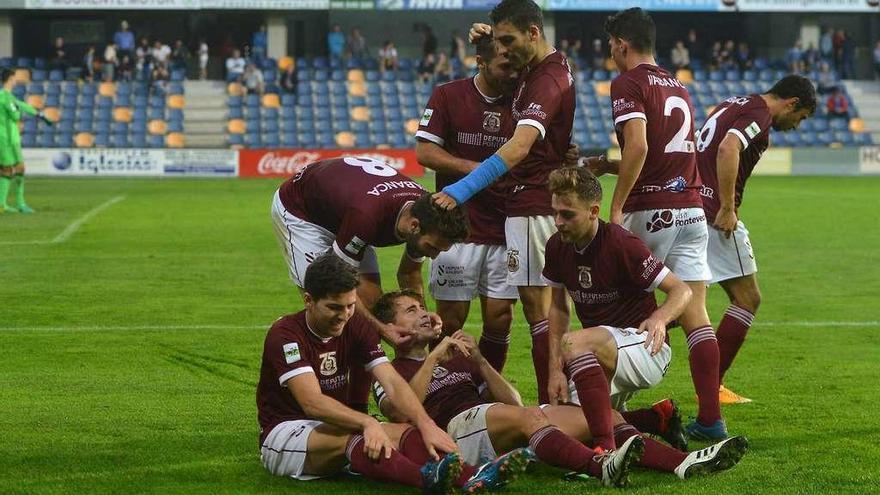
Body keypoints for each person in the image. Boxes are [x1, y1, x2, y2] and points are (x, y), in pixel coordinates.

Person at [373, 290, 749, 484]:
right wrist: (434, 358)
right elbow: (397, 412)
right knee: (532, 419)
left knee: (602, 414)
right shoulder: (389, 369)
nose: (423, 313)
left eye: (421, 307)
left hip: (491, 419)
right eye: (411, 310)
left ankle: (682, 463)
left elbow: (513, 400)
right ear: (393, 330)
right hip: (454, 431)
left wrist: (481, 363)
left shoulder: (457, 357)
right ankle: (599, 466)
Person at [256, 254, 519, 492]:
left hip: (337, 423)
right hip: (285, 431)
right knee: (357, 436)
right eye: (335, 307)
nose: (344, 315)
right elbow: (311, 403)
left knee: (407, 430)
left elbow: (392, 381)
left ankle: (474, 477)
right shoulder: (286, 334)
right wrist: (367, 422)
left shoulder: (356, 324)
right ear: (308, 300)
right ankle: (427, 480)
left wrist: (426, 424)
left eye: (349, 306)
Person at [583, 7, 726, 441]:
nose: (610, 52)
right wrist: (610, 165)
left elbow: (641, 146)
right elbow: (662, 152)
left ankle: (610, 414)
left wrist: (616, 205)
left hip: (652, 210)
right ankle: (710, 420)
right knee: (696, 314)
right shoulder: (677, 85)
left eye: (611, 45)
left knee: (626, 305)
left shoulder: (628, 82)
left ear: (623, 44)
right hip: (690, 208)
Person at [435, 0, 576, 406]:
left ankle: (553, 407)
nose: (506, 51)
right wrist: (491, 36)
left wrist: (458, 191)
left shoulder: (547, 79)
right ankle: (557, 405)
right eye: (501, 43)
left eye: (511, 41)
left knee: (539, 316)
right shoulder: (538, 68)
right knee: (545, 312)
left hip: (531, 204)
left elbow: (517, 149)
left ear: (534, 33)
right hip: (528, 204)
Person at [270, 156, 469, 412]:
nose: (433, 255)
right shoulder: (367, 216)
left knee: (375, 312)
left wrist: (421, 317)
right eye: (431, 247)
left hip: (342, 211)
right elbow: (342, 287)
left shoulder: (427, 213)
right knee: (333, 311)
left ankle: (371, 404)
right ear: (414, 226)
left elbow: (409, 274)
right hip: (303, 213)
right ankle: (335, 405)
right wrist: (383, 329)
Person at [543, 167, 692, 452]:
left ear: (593, 211)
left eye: (567, 215)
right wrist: (555, 370)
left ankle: (605, 451)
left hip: (645, 348)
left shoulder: (622, 243)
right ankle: (656, 419)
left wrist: (659, 318)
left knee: (576, 341)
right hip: (593, 355)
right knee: (558, 428)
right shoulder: (556, 247)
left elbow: (681, 290)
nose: (558, 222)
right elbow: (559, 310)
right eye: (555, 213)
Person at [696, 75, 816, 405]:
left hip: (691, 207)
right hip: (712, 216)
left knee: (684, 300)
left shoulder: (733, 103)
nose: (796, 126)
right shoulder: (759, 115)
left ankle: (619, 339)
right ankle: (712, 388)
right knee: (747, 298)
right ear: (792, 103)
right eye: (800, 117)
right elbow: (727, 147)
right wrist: (726, 207)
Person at [415, 37, 520, 373]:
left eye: (516, 66)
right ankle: (446, 387)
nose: (512, 72)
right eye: (505, 65)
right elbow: (425, 152)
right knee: (450, 318)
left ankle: (487, 388)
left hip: (506, 226)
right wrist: (476, 170)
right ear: (480, 61)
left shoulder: (523, 100)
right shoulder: (448, 95)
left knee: (500, 317)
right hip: (456, 227)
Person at [0, 68, 55, 214]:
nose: (16, 81)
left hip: (8, 139)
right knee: (12, 169)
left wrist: (40, 115)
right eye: (14, 78)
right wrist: (18, 111)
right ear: (10, 79)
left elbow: (22, 105)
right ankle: (15, 204)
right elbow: (16, 115)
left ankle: (10, 204)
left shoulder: (6, 96)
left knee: (11, 170)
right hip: (7, 139)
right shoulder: (5, 97)